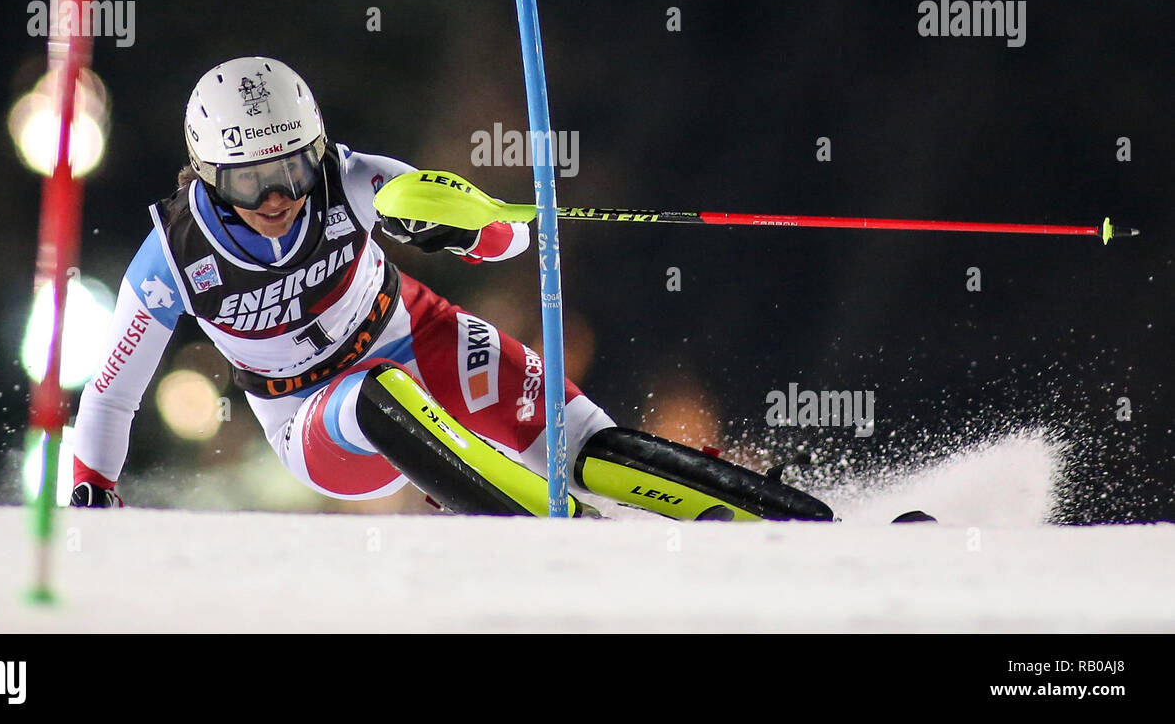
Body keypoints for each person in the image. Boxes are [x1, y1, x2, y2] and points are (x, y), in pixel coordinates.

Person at [70, 55, 833, 521]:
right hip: (312, 414)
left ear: (315, 151)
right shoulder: (171, 256)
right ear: (207, 174)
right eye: (251, 181)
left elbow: (512, 234)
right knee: (376, 396)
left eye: (292, 171)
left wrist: (463, 228)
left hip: (419, 333)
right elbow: (110, 396)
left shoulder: (355, 177)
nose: (277, 198)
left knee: (580, 440)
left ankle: (773, 513)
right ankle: (559, 526)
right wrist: (92, 491)